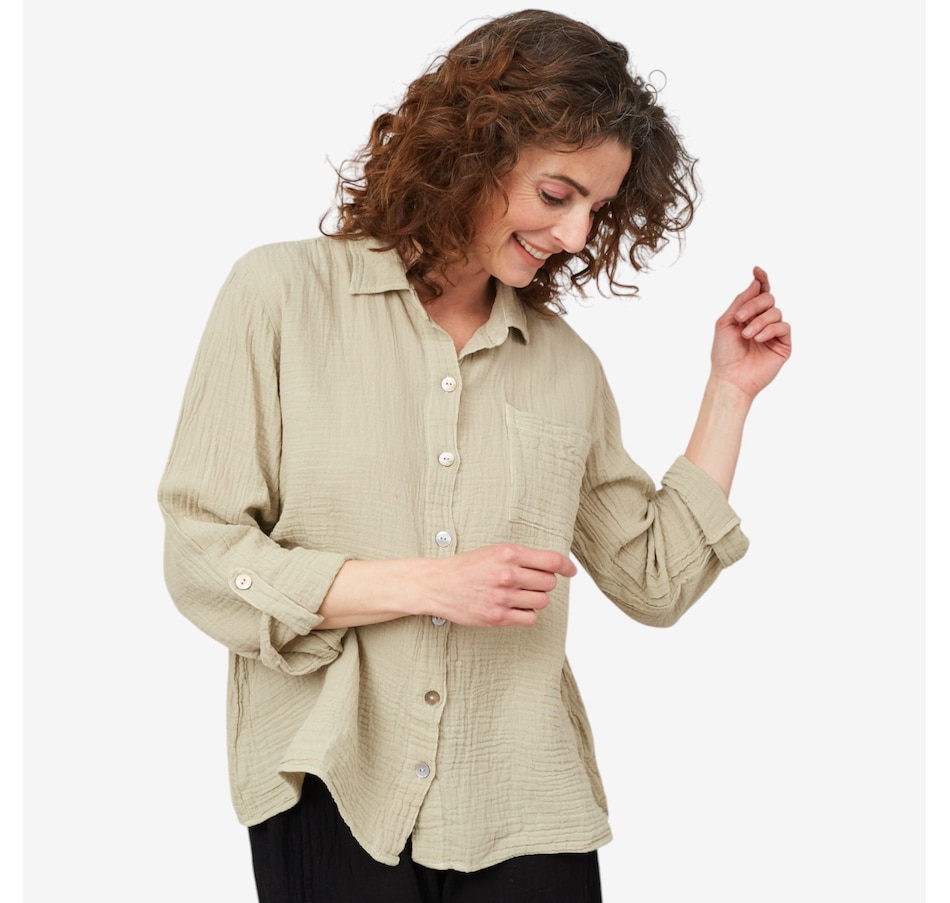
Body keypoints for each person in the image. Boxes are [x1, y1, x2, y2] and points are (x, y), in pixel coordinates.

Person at [158, 9, 791, 902]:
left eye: (596, 209)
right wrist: (426, 585)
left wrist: (729, 392)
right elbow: (203, 554)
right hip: (332, 785)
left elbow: (653, 579)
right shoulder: (280, 296)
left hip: (526, 803)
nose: (576, 236)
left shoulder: (565, 366)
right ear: (472, 151)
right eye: (557, 195)